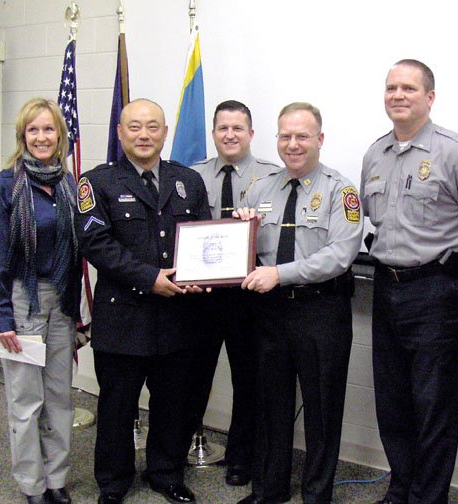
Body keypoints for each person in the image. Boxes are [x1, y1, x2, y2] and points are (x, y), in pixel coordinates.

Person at [360, 59, 458, 504]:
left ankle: (428, 498)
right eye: (391, 87)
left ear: (429, 98)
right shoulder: (374, 154)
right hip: (387, 286)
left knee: (434, 403)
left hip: (438, 288)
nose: (398, 95)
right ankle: (401, 489)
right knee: (392, 400)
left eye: (409, 89)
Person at [74, 98, 211, 504]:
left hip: (178, 316)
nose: (144, 134)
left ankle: (165, 473)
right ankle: (114, 483)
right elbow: (95, 243)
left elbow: (203, 237)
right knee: (117, 407)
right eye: (134, 127)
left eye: (153, 126)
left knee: (173, 403)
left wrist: (201, 276)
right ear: (120, 133)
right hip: (124, 318)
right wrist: (149, 279)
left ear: (165, 133)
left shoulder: (188, 180)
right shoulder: (95, 182)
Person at [235, 102, 363, 504]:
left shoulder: (340, 191)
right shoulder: (260, 188)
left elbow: (340, 256)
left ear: (319, 140)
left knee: (322, 408)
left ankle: (316, 494)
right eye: (285, 136)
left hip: (320, 310)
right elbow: (249, 253)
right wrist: (240, 236)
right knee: (270, 403)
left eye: (302, 136)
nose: (293, 144)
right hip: (270, 312)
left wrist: (280, 273)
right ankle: (268, 489)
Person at [0, 98, 81, 504]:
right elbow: (0, 258)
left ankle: (56, 480)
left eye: (49, 129)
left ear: (60, 135)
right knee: (26, 401)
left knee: (59, 397)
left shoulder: (69, 184)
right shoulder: (3, 186)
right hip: (23, 298)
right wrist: (1, 315)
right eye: (33, 130)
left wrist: (79, 311)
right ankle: (32, 485)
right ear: (22, 136)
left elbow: (76, 253)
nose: (41, 137)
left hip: (62, 300)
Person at [190, 100, 280, 487]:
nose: (230, 135)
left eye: (238, 128)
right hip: (202, 295)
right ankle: (184, 444)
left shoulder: (272, 177)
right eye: (222, 128)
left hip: (249, 294)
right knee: (193, 375)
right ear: (213, 133)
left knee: (249, 379)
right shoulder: (191, 177)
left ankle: (242, 456)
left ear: (251, 134)